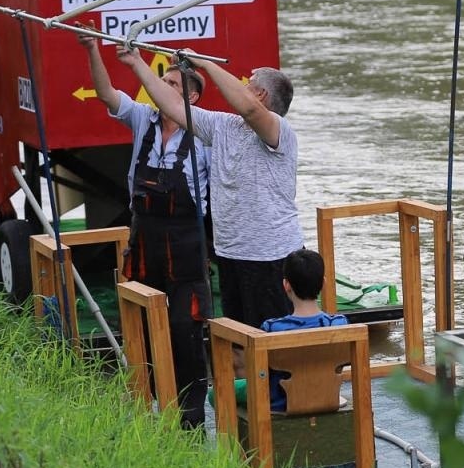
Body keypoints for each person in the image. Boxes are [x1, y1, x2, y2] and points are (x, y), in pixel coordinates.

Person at [80, 34, 212, 429]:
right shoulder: (141, 118)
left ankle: (191, 410)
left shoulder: (206, 133)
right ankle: (148, 397)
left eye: (172, 85)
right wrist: (92, 50)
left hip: (186, 242)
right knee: (139, 320)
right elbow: (106, 94)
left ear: (193, 98)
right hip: (145, 238)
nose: (162, 89)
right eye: (163, 82)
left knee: (185, 328)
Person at [127, 48, 301, 328]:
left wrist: (205, 63)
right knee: (236, 336)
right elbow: (172, 106)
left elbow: (249, 109)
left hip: (271, 255)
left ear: (260, 96)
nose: (242, 87)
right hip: (231, 253)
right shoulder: (224, 125)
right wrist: (136, 63)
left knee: (273, 338)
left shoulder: (279, 129)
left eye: (248, 85)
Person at [261, 249, 347, 412]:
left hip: (281, 404)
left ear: (286, 285)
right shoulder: (339, 323)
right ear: (323, 283)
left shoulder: (271, 328)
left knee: (218, 393)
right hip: (328, 398)